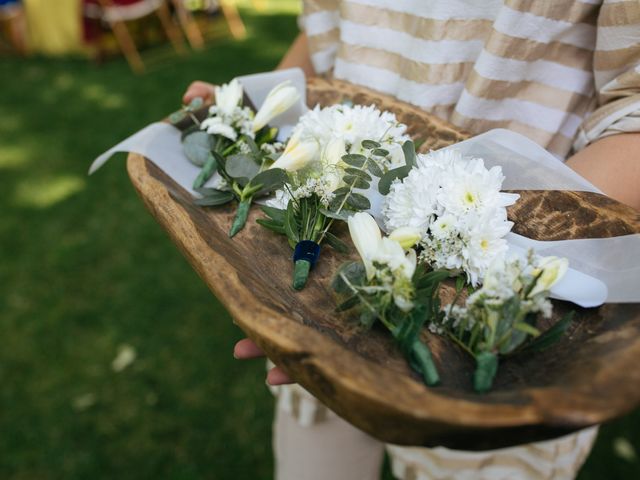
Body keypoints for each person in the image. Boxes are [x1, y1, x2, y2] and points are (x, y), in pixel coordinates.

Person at [183, 1, 640, 478]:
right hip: (330, 263)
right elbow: (323, 35)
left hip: (486, 295)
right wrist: (251, 119)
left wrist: (477, 231)